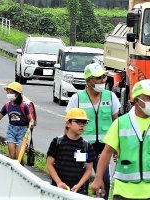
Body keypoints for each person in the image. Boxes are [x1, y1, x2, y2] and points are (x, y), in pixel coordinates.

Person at [66, 63, 121, 199]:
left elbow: (116, 123)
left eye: (103, 77)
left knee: (105, 181)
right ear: (89, 80)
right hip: (82, 148)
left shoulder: (110, 97)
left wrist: (117, 146)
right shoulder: (76, 99)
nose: (103, 80)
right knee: (80, 178)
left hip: (103, 149)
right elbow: (68, 125)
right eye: (99, 78)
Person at [92, 79, 150, 200]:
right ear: (137, 100)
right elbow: (106, 153)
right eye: (148, 97)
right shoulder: (121, 123)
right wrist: (98, 178)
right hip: (124, 191)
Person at [46, 108, 96, 195]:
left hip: (78, 191)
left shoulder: (87, 146)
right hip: (58, 189)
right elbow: (49, 164)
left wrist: (79, 185)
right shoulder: (57, 142)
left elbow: (89, 170)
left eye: (84, 122)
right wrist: (59, 182)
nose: (82, 125)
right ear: (68, 123)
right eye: (78, 122)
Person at [0, 82, 32, 160]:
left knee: (19, 158)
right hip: (11, 131)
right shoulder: (7, 105)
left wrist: (29, 128)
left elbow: (31, 120)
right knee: (12, 156)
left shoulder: (24, 106)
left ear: (18, 94)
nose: (9, 94)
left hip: (22, 132)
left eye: (11, 93)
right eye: (8, 92)